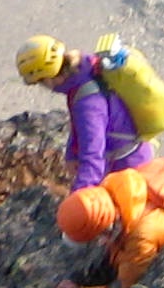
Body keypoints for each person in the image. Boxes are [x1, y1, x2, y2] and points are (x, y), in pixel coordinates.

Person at [50, 159, 164, 288]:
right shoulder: (113, 187)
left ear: (107, 229)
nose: (99, 242)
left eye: (95, 238)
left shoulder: (141, 236)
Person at [13, 35, 153, 190]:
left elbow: (93, 152)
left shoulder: (88, 102)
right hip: (132, 157)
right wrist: (72, 154)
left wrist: (81, 194)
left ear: (47, 77)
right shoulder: (84, 71)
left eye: (40, 82)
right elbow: (79, 126)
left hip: (128, 171)